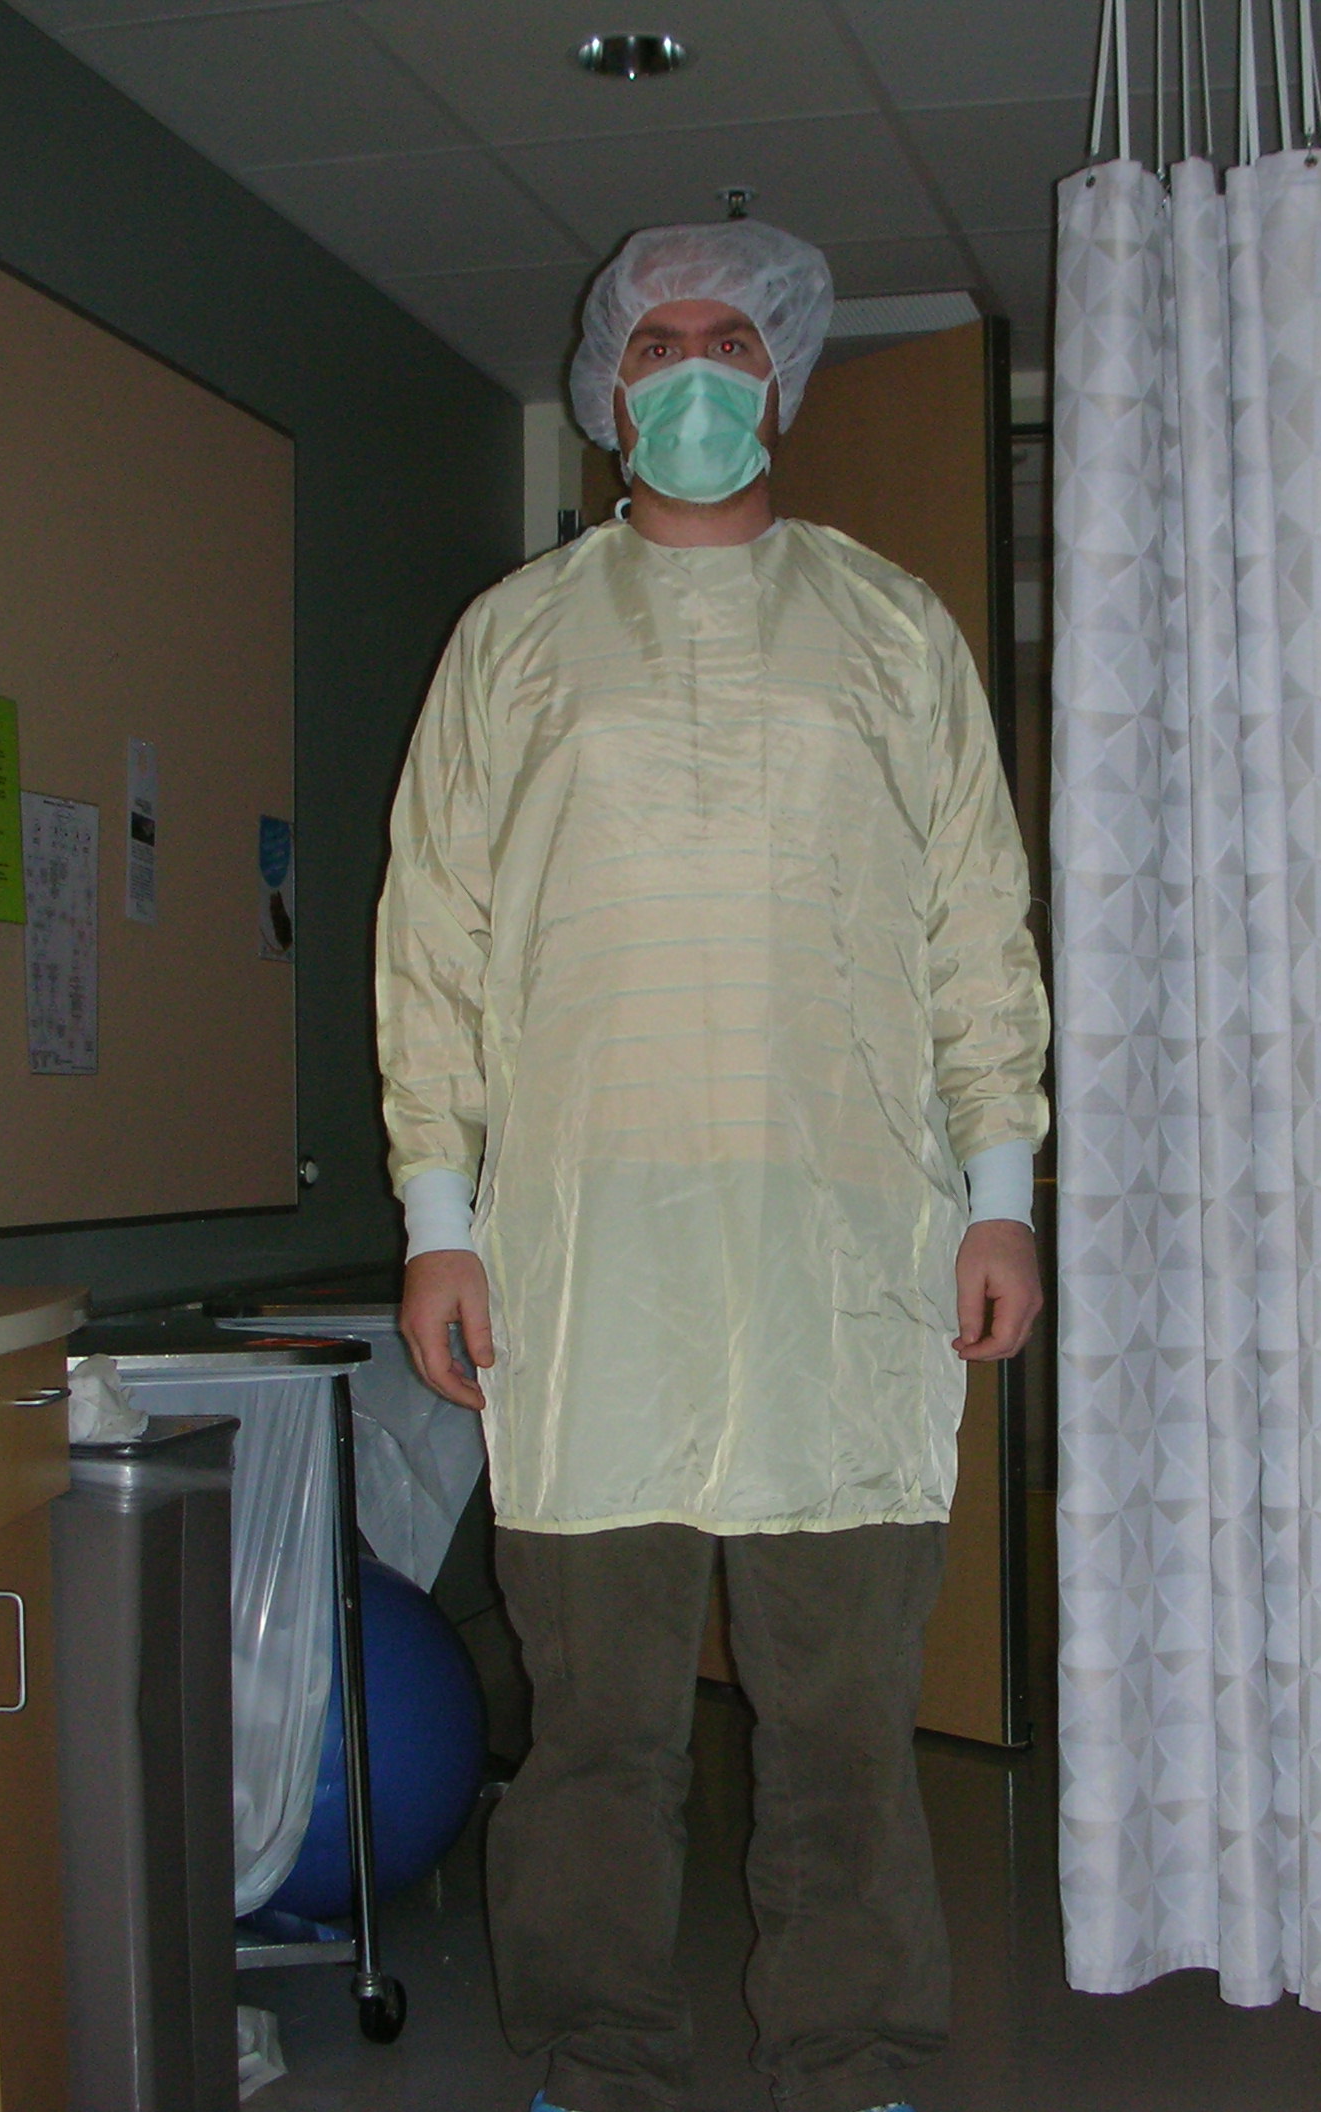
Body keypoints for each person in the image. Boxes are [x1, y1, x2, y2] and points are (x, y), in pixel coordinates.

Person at [375, 217, 1048, 2112]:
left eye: (728, 343)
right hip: (587, 1263)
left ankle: (854, 2060)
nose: (690, 371)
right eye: (655, 342)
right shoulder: (515, 642)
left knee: (842, 1726)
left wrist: (1000, 1197)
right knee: (597, 1731)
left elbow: (976, 930)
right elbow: (432, 945)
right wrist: (439, 1220)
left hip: (847, 1255)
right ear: (607, 389)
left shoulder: (893, 630)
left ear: (784, 381)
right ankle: (595, 2066)